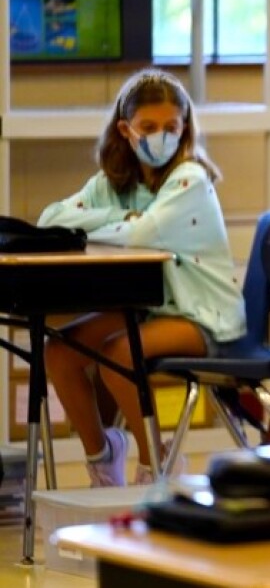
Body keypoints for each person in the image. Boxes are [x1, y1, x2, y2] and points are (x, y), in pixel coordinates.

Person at [38, 68, 246, 488]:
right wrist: (120, 215)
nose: (161, 136)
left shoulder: (191, 178)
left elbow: (144, 233)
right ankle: (103, 455)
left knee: (119, 352)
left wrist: (115, 223)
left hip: (205, 317)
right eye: (148, 127)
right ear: (125, 130)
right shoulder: (113, 185)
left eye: (171, 127)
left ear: (185, 129)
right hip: (151, 310)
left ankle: (159, 464)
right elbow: (51, 219)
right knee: (58, 353)